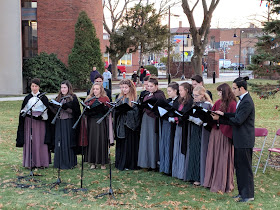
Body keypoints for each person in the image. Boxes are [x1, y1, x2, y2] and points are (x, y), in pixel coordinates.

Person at [212, 76, 255, 202]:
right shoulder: (242, 100)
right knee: (239, 167)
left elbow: (238, 120)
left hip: (244, 140)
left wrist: (220, 119)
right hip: (239, 139)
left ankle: (248, 195)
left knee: (245, 168)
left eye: (235, 88)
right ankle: (242, 193)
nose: (233, 90)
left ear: (242, 88)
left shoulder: (247, 101)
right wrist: (223, 114)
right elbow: (236, 115)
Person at [204, 83, 236, 193]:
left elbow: (233, 119)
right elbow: (211, 115)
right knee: (214, 155)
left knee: (223, 157)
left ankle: (223, 182)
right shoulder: (217, 102)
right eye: (218, 91)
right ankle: (212, 181)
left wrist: (221, 117)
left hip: (224, 133)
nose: (218, 94)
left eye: (220, 92)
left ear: (226, 92)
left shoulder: (232, 104)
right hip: (215, 131)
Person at [16, 78, 50, 168]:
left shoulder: (43, 97)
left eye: (36, 86)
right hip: (29, 122)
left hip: (40, 123)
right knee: (30, 141)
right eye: (32, 86)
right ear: (30, 86)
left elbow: (48, 111)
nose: (34, 88)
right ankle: (30, 162)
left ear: (39, 87)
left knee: (39, 140)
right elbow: (23, 111)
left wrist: (41, 116)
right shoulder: (27, 98)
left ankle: (41, 162)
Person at [184, 86, 212, 186]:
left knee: (201, 152)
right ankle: (192, 175)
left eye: (196, 95)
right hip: (195, 130)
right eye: (193, 95)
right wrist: (191, 118)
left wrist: (202, 121)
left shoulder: (207, 105)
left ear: (202, 95)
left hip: (203, 131)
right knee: (194, 150)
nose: (194, 97)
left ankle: (200, 177)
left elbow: (210, 119)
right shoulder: (194, 104)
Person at [50, 80, 81, 169]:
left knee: (67, 141)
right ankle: (59, 162)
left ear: (68, 88)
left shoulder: (73, 97)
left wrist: (65, 107)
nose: (63, 89)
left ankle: (68, 162)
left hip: (69, 122)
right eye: (62, 87)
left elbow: (76, 111)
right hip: (59, 121)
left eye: (65, 87)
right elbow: (55, 111)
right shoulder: (58, 97)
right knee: (59, 141)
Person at [138, 77, 166, 169]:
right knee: (145, 139)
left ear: (156, 86)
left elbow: (162, 107)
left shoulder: (160, 95)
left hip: (153, 119)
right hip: (146, 118)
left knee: (153, 140)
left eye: (151, 86)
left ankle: (153, 163)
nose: (149, 88)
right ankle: (145, 162)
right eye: (148, 86)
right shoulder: (147, 94)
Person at [114, 79, 141, 170]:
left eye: (126, 87)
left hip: (130, 125)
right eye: (122, 87)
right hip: (121, 123)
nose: (124, 89)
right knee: (122, 143)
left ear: (130, 87)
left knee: (129, 145)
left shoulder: (135, 97)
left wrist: (128, 111)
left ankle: (130, 163)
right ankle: (121, 163)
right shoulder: (119, 97)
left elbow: (137, 111)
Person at [85, 83, 110, 169]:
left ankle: (102, 162)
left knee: (101, 141)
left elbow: (108, 109)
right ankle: (93, 162)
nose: (95, 91)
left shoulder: (105, 99)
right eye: (94, 89)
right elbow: (85, 111)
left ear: (101, 90)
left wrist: (103, 107)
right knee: (93, 141)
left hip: (101, 122)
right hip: (91, 122)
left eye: (97, 89)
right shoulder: (89, 99)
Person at [172, 82, 193, 179]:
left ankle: (182, 171)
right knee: (177, 146)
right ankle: (176, 170)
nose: (179, 92)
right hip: (178, 126)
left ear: (187, 90)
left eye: (181, 90)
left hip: (184, 126)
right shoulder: (180, 100)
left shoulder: (190, 101)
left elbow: (186, 114)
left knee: (182, 147)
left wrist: (178, 118)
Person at [159, 82, 179, 175]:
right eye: (167, 91)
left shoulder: (178, 101)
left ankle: (170, 168)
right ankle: (164, 166)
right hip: (166, 123)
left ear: (175, 91)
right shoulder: (168, 100)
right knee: (165, 144)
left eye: (170, 91)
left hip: (174, 126)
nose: (168, 93)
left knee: (170, 145)